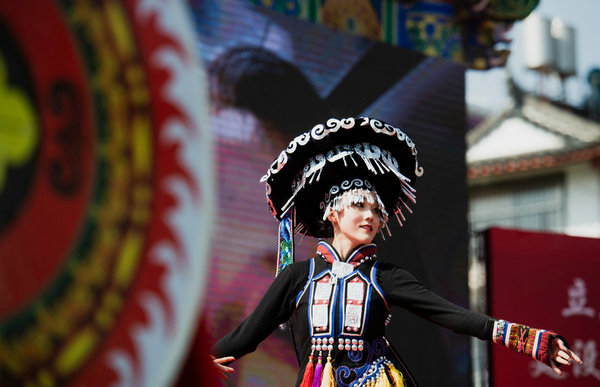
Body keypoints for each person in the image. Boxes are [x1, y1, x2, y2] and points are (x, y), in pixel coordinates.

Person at [211, 117, 582, 386]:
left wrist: (531, 340)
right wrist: (196, 363)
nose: (370, 216)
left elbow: (453, 316)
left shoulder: (384, 277)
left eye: (376, 210)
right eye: (359, 205)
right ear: (331, 211)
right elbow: (247, 334)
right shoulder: (299, 277)